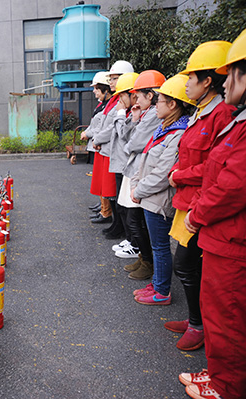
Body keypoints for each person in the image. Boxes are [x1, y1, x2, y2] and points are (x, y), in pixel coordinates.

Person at [180, 29, 246, 399]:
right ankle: (219, 375)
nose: (226, 83)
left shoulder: (235, 123)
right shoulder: (236, 121)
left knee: (228, 317)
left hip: (231, 237)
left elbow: (231, 184)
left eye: (231, 73)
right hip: (224, 237)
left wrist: (197, 212)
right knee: (221, 312)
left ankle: (226, 387)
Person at [164, 41, 235, 352]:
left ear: (208, 81)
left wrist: (180, 175)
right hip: (188, 200)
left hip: (201, 202)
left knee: (188, 264)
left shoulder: (223, 114)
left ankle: (198, 324)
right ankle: (196, 318)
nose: (187, 83)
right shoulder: (200, 113)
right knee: (190, 266)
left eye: (191, 78)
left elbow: (215, 166)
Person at [131, 72, 193, 306]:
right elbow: (145, 159)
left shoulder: (177, 134)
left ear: (173, 104)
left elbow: (162, 174)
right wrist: (136, 183)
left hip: (158, 199)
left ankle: (162, 291)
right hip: (149, 196)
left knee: (160, 247)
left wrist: (138, 190)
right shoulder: (164, 129)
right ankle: (158, 282)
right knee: (157, 245)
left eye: (159, 101)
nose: (156, 105)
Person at [118, 71, 164, 281]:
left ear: (151, 96)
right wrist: (135, 119)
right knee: (134, 218)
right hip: (136, 168)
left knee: (136, 219)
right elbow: (128, 138)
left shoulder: (154, 114)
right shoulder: (146, 113)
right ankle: (144, 258)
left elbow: (132, 144)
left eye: (140, 95)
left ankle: (148, 261)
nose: (136, 99)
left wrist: (133, 131)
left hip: (140, 170)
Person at [90, 60, 134, 228]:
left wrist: (97, 138)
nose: (112, 82)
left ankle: (121, 228)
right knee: (113, 191)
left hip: (116, 151)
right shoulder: (114, 101)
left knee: (117, 192)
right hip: (109, 149)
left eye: (115, 78)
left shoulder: (122, 102)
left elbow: (113, 127)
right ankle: (118, 225)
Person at [109, 72, 141, 259]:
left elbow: (126, 137)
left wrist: (120, 115)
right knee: (123, 206)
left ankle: (134, 244)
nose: (120, 100)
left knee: (130, 209)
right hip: (123, 162)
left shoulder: (134, 112)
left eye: (122, 96)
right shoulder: (132, 111)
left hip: (128, 164)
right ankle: (131, 240)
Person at [82, 71, 112, 210]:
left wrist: (89, 134)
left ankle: (106, 210)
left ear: (106, 89)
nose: (94, 91)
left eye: (96, 88)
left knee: (105, 181)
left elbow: (103, 127)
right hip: (98, 144)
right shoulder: (103, 105)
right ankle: (103, 207)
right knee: (100, 179)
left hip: (103, 146)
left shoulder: (110, 106)